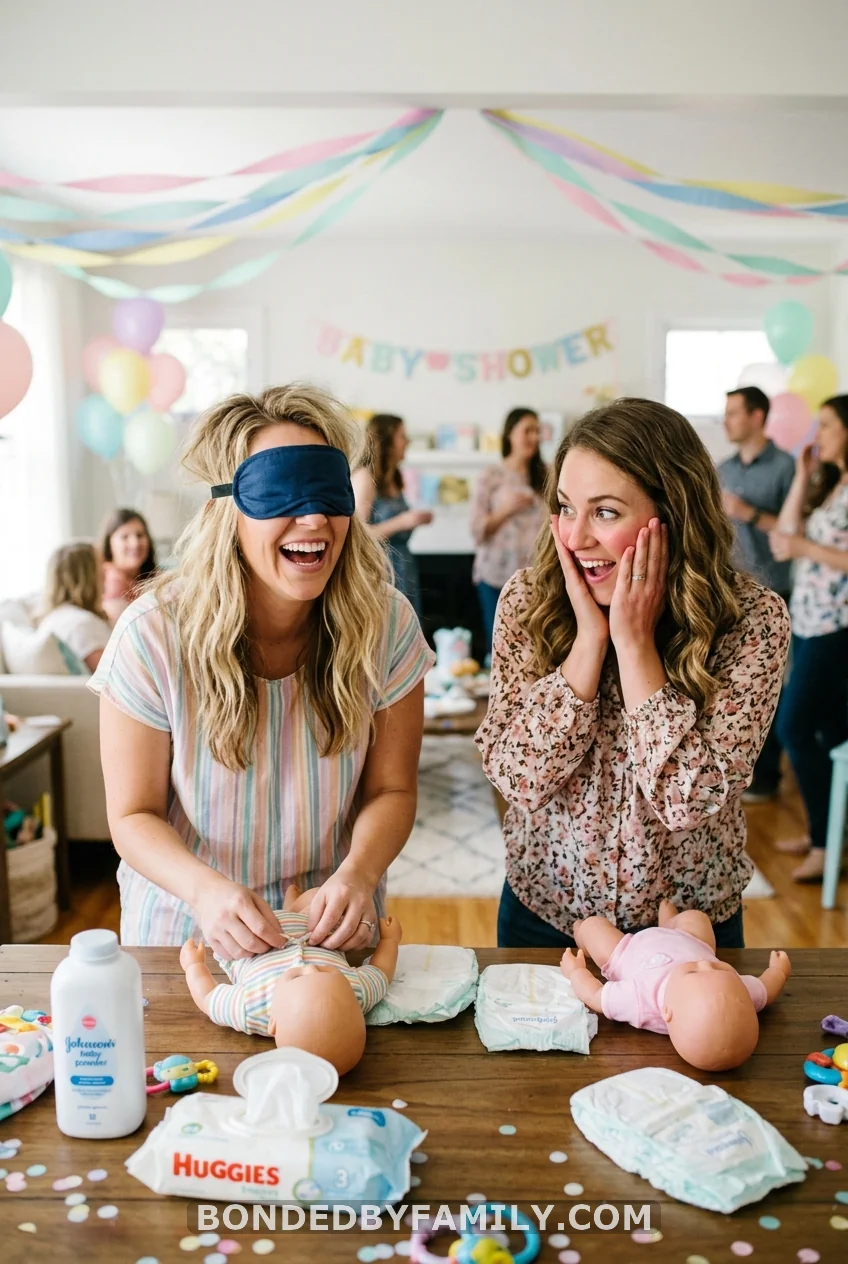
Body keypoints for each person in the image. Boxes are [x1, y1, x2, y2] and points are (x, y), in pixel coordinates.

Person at [90, 385, 434, 953]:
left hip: (329, 926)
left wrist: (360, 875)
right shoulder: (150, 635)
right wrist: (206, 894)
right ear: (227, 509)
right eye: (281, 493)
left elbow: (393, 788)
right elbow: (132, 814)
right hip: (186, 933)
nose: (314, 516)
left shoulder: (387, 625)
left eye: (328, 489)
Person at [476, 398, 790, 950]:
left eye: (605, 512)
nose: (574, 539)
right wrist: (589, 645)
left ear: (672, 513)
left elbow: (689, 802)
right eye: (567, 507)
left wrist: (635, 644)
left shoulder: (753, 621)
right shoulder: (527, 601)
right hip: (547, 920)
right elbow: (518, 780)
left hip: (691, 932)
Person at [769, 395, 848, 882]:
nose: (818, 433)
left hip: (838, 628)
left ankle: (825, 843)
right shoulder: (833, 484)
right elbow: (783, 535)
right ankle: (828, 834)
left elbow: (797, 545)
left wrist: (804, 547)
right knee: (833, 732)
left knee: (793, 727)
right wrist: (802, 474)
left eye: (827, 425)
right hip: (811, 622)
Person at [719, 386, 795, 803]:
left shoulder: (786, 468)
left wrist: (750, 514)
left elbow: (796, 531)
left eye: (733, 412)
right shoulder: (721, 469)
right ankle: (736, 773)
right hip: (730, 594)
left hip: (775, 592)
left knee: (771, 687)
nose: (726, 419)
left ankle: (767, 777)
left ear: (757, 416)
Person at [470, 408, 548, 658]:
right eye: (527, 430)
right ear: (509, 435)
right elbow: (477, 531)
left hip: (538, 576)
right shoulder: (491, 475)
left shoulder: (547, 475)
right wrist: (506, 510)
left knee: (536, 648)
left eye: (537, 431)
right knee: (502, 649)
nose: (534, 437)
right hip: (495, 576)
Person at [351, 414, 433, 619]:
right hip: (379, 570)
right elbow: (358, 535)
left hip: (403, 568)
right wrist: (404, 521)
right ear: (386, 442)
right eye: (402, 436)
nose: (408, 442)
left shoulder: (394, 479)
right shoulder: (364, 478)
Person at [38, 541, 111, 674]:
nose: (105, 570)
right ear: (86, 575)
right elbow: (113, 676)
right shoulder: (82, 624)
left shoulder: (55, 617)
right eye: (99, 564)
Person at [99, 508, 157, 624]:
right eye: (125, 537)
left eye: (140, 535)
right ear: (110, 543)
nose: (135, 543)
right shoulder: (111, 580)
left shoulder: (154, 575)